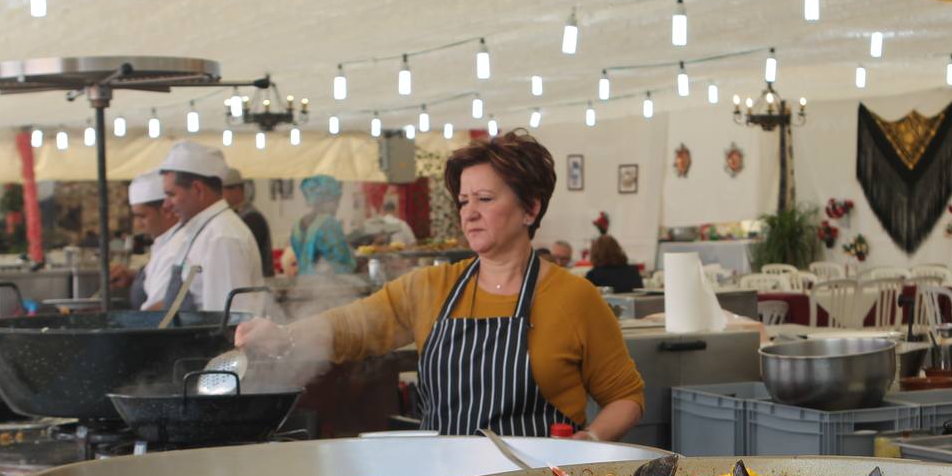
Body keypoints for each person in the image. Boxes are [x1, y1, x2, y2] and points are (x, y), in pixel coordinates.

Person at [236, 130, 645, 439]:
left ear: (531, 207)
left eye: (485, 199)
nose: (469, 214)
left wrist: (588, 441)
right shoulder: (429, 288)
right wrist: (285, 335)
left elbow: (626, 397)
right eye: (464, 201)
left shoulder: (574, 298)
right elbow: (351, 327)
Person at [159, 141, 264, 312]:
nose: (166, 205)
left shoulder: (222, 237)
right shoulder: (204, 230)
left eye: (172, 194)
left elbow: (229, 319)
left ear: (198, 189)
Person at [124, 170, 182, 310]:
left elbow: (157, 311)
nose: (137, 225)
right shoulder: (163, 243)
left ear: (166, 211)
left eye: (142, 216)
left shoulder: (175, 249)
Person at [288, 175, 356, 275]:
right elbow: (343, 263)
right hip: (330, 287)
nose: (337, 206)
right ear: (326, 200)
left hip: (303, 285)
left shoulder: (297, 225)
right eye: (336, 200)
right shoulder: (328, 223)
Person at [223, 167, 274, 278]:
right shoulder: (236, 215)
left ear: (236, 189)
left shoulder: (252, 218)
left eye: (222, 191)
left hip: (256, 288)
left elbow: (240, 257)